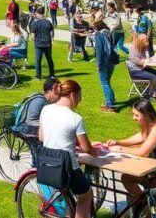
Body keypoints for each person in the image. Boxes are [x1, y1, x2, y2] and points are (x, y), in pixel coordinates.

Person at [38, 80, 99, 218]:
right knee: (86, 195)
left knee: (68, 196)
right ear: (72, 95)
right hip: (67, 165)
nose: (80, 100)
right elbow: (86, 147)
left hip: (48, 161)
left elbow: (41, 137)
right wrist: (96, 151)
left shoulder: (46, 109)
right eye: (79, 97)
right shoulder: (75, 118)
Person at [97, 100, 156, 198]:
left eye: (136, 115)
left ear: (146, 115)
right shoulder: (151, 127)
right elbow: (136, 139)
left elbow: (141, 152)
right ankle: (142, 205)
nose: (134, 118)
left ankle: (144, 205)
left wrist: (119, 149)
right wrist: (117, 142)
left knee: (127, 178)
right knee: (130, 183)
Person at [127, 34, 156, 100]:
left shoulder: (142, 49)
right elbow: (137, 62)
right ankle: (152, 94)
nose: (147, 44)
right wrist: (145, 61)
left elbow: (144, 59)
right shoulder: (133, 49)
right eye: (146, 42)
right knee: (154, 77)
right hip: (136, 72)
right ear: (141, 41)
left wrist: (147, 60)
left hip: (142, 69)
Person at [93, 19, 119, 113]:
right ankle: (110, 101)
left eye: (94, 27)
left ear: (97, 27)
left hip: (104, 61)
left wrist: (98, 64)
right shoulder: (109, 33)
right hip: (112, 60)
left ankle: (110, 104)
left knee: (104, 82)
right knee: (107, 82)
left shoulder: (99, 35)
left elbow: (99, 51)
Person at [29, 6, 56, 80]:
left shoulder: (35, 23)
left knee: (38, 60)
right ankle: (52, 74)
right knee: (49, 59)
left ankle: (38, 76)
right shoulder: (48, 22)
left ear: (37, 13)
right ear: (43, 13)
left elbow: (33, 35)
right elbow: (52, 33)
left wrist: (32, 39)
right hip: (47, 43)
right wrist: (52, 41)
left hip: (38, 44)